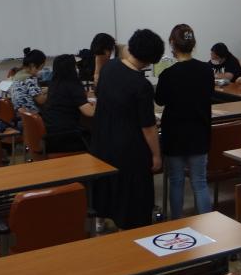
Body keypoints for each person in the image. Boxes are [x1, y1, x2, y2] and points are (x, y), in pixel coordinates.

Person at [90, 28, 164, 230]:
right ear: (151, 60)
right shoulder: (141, 85)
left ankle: (100, 221)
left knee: (106, 186)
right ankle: (128, 230)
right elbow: (148, 126)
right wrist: (156, 155)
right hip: (129, 149)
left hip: (103, 140)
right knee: (132, 196)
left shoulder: (109, 67)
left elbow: (99, 93)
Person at [156, 24, 214, 218]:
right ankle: (207, 225)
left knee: (176, 181)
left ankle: (177, 223)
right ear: (193, 43)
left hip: (174, 135)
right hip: (199, 132)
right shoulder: (206, 70)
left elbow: (159, 100)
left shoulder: (168, 74)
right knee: (200, 182)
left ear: (172, 44)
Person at [39, 53, 94, 153]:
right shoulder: (73, 85)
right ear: (70, 69)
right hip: (67, 137)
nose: (77, 68)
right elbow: (89, 112)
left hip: (51, 135)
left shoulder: (53, 84)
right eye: (75, 66)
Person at [9, 48, 47, 114]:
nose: (39, 72)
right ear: (33, 66)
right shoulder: (29, 78)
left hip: (21, 113)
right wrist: (53, 93)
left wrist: (47, 90)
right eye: (40, 68)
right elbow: (41, 100)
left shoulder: (18, 74)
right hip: (33, 114)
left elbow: (31, 91)